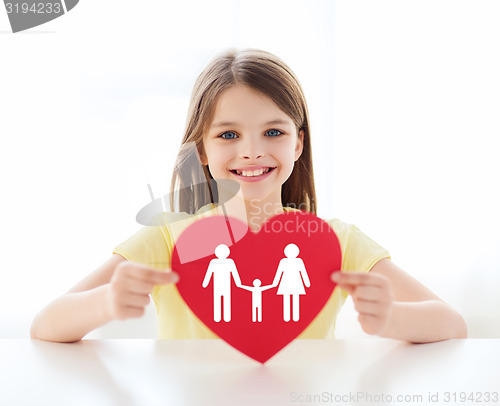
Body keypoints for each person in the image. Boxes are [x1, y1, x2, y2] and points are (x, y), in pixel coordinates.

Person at [31, 48, 467, 343]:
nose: (252, 151)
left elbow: (452, 324)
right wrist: (106, 302)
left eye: (273, 132)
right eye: (229, 134)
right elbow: (45, 326)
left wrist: (393, 317)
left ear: (298, 143)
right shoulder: (168, 240)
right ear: (202, 149)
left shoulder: (338, 241)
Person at [272, 243, 310, 322]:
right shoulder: (283, 261)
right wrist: (275, 282)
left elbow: (303, 272)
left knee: (294, 299)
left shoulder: (299, 261)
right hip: (286, 282)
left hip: (295, 282)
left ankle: (295, 317)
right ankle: (287, 317)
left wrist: (306, 282)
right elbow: (279, 272)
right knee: (287, 299)